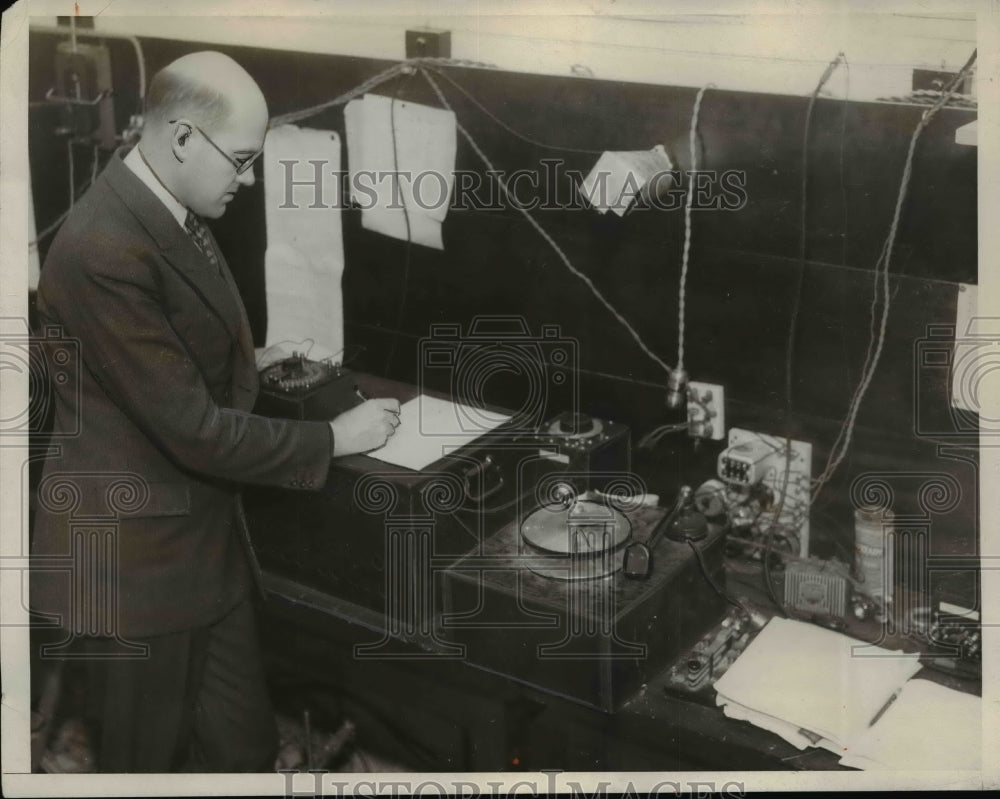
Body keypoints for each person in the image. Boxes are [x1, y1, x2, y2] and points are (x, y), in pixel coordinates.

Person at [31, 51, 401, 773]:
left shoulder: (169, 205)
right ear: (180, 140)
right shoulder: (103, 247)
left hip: (199, 552)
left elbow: (161, 347)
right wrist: (332, 436)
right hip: (135, 565)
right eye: (239, 159)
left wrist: (248, 359)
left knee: (242, 753)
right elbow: (193, 430)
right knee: (144, 764)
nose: (249, 177)